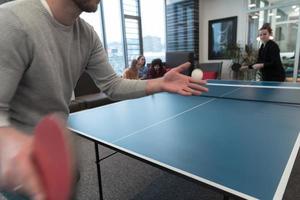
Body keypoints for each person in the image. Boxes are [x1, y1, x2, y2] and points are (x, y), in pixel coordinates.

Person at [0, 0, 208, 199]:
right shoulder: (12, 21)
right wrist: (8, 143)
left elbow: (112, 85)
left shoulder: (87, 35)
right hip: (21, 169)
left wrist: (160, 83)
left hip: (59, 158)